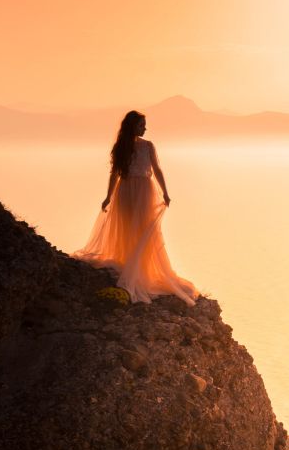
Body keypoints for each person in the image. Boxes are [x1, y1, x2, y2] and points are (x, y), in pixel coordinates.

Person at [72, 110, 199, 305]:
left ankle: (141, 270)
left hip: (144, 192)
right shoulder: (121, 147)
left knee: (143, 231)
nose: (145, 128)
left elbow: (157, 169)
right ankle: (129, 266)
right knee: (126, 229)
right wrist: (108, 196)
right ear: (132, 126)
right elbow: (115, 173)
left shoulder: (148, 146)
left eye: (144, 125)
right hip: (125, 191)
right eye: (141, 125)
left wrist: (165, 192)